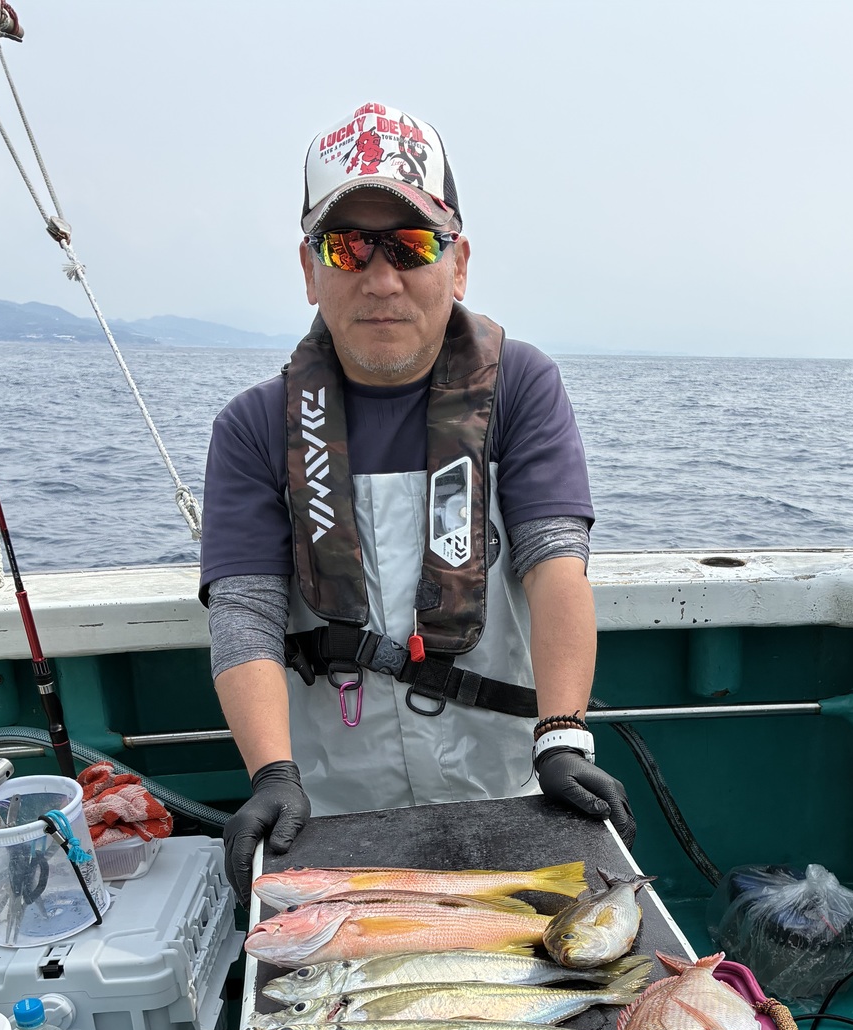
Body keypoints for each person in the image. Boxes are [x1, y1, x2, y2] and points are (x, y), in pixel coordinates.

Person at [200, 101, 634, 900]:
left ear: (458, 263)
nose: (381, 279)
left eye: (409, 245)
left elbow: (556, 567)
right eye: (347, 246)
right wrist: (272, 773)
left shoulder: (521, 388)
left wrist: (563, 737)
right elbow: (245, 614)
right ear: (309, 270)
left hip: (507, 789)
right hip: (330, 813)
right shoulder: (253, 427)